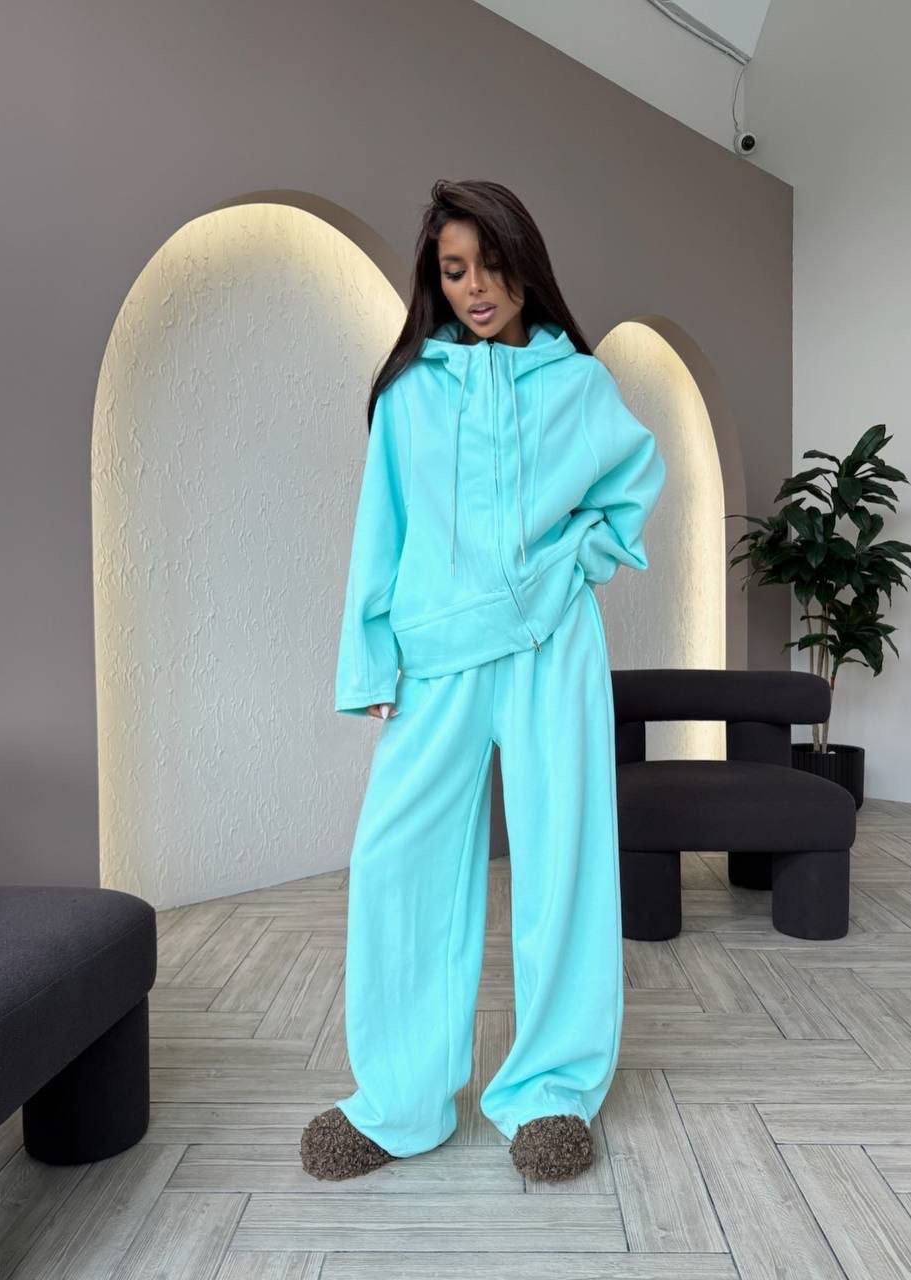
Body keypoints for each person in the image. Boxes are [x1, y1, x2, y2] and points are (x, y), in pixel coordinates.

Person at [300, 178, 666, 1184]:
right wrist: (370, 658)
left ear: (523, 266)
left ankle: (549, 1091)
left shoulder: (576, 384)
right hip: (436, 655)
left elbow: (633, 481)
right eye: (454, 270)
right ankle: (400, 1100)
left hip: (552, 645)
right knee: (397, 862)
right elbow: (380, 530)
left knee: (563, 860)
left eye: (489, 265)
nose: (474, 288)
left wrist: (577, 559)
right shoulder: (409, 393)